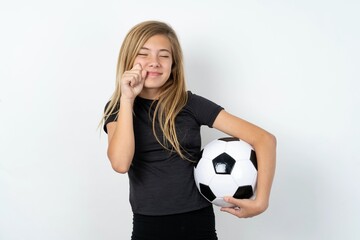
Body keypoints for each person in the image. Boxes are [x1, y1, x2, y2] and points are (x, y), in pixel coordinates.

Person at [101, 20, 276, 240]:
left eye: (164, 55)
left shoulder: (189, 104)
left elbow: (264, 140)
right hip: (148, 225)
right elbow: (120, 163)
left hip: (197, 223)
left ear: (173, 65)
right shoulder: (119, 107)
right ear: (129, 60)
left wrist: (260, 202)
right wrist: (127, 99)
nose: (154, 62)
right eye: (143, 54)